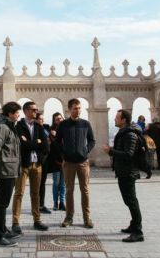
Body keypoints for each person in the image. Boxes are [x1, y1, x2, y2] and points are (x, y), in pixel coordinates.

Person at [102, 109, 144, 243]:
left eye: (117, 117)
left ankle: (138, 231)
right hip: (123, 172)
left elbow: (128, 154)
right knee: (129, 200)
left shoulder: (130, 135)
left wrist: (111, 151)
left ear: (123, 120)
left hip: (128, 172)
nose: (114, 119)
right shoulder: (123, 133)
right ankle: (133, 225)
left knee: (131, 201)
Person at [56, 98, 96, 228]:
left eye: (79, 108)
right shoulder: (63, 125)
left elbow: (92, 140)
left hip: (83, 162)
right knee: (69, 190)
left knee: (85, 190)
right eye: (75, 108)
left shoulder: (85, 124)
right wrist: (64, 153)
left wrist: (86, 151)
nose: (78, 110)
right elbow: (57, 142)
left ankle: (87, 217)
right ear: (69, 109)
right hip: (68, 163)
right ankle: (69, 217)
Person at [0, 102, 22, 247]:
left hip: (10, 169)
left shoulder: (8, 126)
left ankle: (3, 230)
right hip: (4, 170)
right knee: (2, 204)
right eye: (17, 112)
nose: (18, 115)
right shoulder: (2, 127)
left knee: (4, 203)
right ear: (10, 114)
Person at [12, 101, 49, 233]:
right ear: (26, 110)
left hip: (37, 164)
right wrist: (36, 143)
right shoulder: (19, 126)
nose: (36, 112)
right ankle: (15, 222)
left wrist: (33, 145)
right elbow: (23, 145)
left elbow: (46, 146)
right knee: (19, 193)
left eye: (36, 109)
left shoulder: (39, 126)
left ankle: (37, 220)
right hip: (24, 165)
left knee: (36, 194)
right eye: (33, 109)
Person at [47, 112, 66, 211]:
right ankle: (55, 202)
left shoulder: (67, 130)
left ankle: (62, 202)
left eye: (60, 118)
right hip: (56, 161)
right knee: (56, 183)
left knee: (63, 183)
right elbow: (52, 147)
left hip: (66, 160)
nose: (59, 120)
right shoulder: (51, 132)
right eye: (57, 119)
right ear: (54, 121)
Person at [36, 113, 52, 214]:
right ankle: (37, 205)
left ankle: (41, 204)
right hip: (39, 159)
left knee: (43, 183)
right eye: (40, 119)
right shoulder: (35, 130)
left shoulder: (46, 129)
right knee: (38, 183)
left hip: (47, 159)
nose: (41, 121)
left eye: (43, 119)